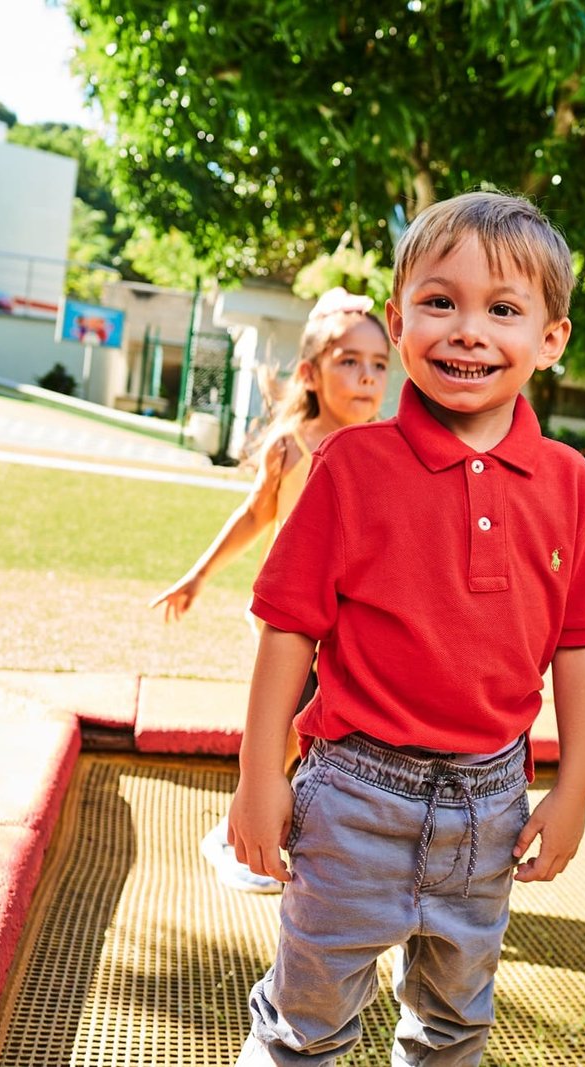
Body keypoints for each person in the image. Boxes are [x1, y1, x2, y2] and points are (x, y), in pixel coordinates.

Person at [229, 190, 585, 1065]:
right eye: (440, 302)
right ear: (400, 320)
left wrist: (576, 787)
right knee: (306, 1022)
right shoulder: (351, 464)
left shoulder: (570, 485)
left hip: (491, 804)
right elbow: (287, 627)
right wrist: (261, 773)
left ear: (551, 340)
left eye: (504, 309)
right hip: (353, 798)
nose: (468, 330)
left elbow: (582, 642)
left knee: (453, 1027)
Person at [150, 287, 391, 893]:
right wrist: (197, 575)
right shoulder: (292, 447)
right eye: (348, 361)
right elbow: (255, 516)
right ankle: (237, 832)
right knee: (282, 731)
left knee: (322, 735)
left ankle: (305, 837)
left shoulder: (385, 453)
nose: (366, 378)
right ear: (310, 372)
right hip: (291, 623)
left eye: (379, 364)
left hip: (349, 626)